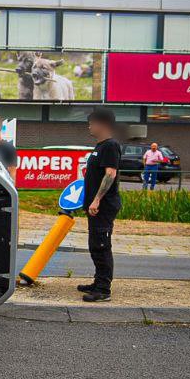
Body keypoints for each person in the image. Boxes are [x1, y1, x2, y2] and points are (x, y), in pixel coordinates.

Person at [78, 107, 121, 302]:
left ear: (102, 124)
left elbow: (110, 174)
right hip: (94, 206)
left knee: (102, 245)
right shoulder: (100, 146)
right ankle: (98, 281)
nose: (90, 125)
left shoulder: (110, 145)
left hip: (103, 206)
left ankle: (103, 290)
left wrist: (96, 200)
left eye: (92, 122)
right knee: (95, 245)